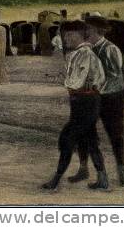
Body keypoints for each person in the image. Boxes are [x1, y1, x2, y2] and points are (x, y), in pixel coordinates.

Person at [41, 20, 109, 191]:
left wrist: (64, 81)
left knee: (67, 138)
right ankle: (100, 177)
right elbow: (96, 79)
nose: (66, 39)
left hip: (85, 102)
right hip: (83, 102)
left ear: (80, 35)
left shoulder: (84, 54)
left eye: (70, 35)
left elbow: (76, 82)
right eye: (65, 36)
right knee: (89, 140)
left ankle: (55, 180)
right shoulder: (80, 54)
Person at [69, 14, 124, 187]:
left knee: (115, 134)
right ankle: (86, 169)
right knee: (86, 133)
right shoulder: (86, 49)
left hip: (111, 98)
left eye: (87, 29)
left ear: (97, 30)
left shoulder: (110, 49)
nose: (85, 31)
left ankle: (121, 171)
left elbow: (115, 74)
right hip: (92, 97)